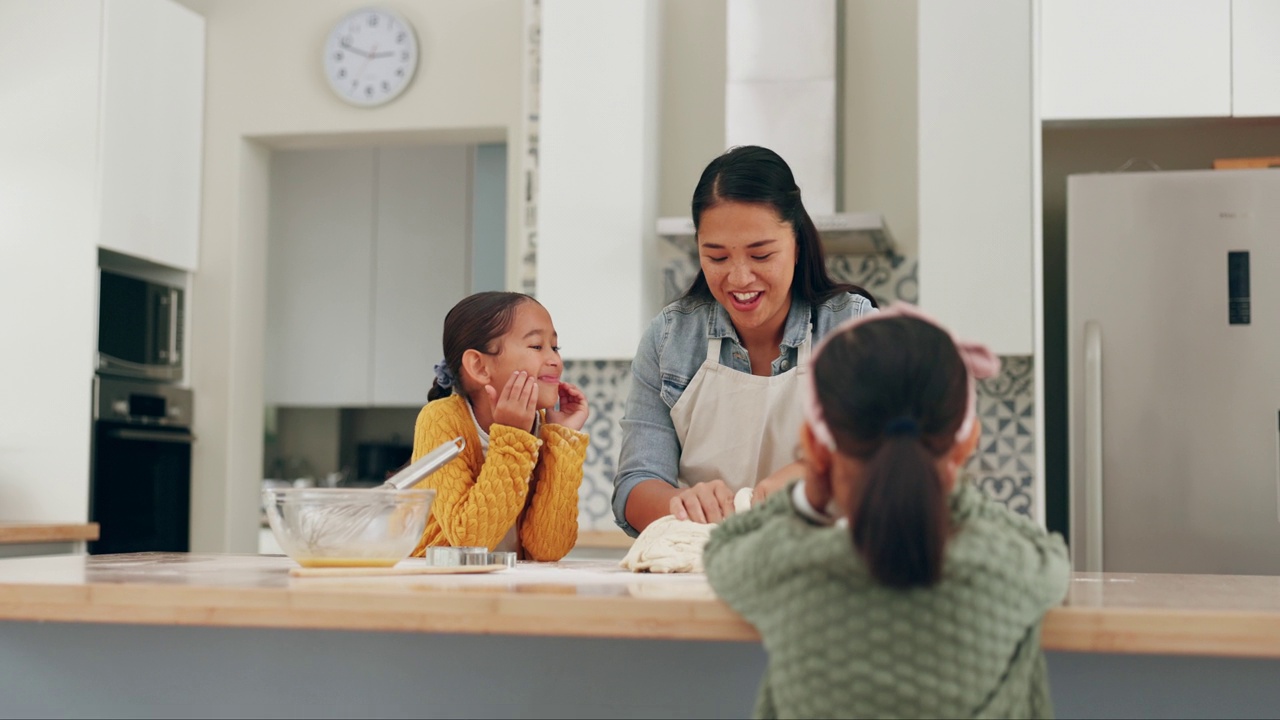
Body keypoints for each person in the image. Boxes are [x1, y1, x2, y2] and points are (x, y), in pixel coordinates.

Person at [702, 304, 1071, 719]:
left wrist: (809, 496)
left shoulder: (787, 567)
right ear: (967, 443)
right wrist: (952, 488)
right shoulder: (1011, 570)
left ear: (816, 445)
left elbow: (722, 549)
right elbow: (1049, 553)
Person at [612, 145, 878, 536]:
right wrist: (678, 505)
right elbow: (634, 485)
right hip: (705, 572)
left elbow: (886, 460)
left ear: (797, 244)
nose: (739, 279)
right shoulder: (669, 340)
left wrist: (810, 475)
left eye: (761, 255)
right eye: (717, 258)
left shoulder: (852, 331)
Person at [408, 291, 590, 561]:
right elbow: (469, 541)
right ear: (480, 366)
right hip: (441, 589)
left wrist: (561, 440)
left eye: (555, 347)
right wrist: (513, 438)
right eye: (537, 346)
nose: (555, 360)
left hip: (507, 590)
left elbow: (548, 549)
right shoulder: (441, 419)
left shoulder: (543, 427)